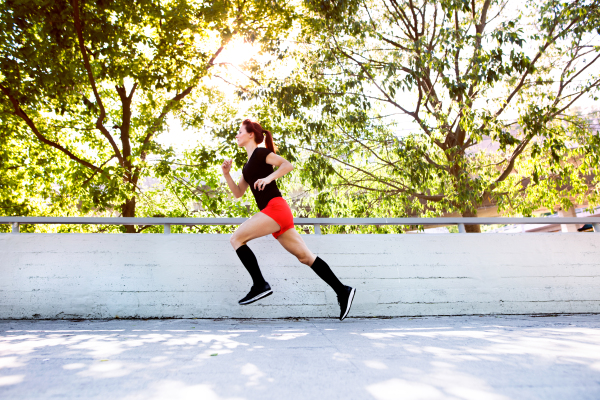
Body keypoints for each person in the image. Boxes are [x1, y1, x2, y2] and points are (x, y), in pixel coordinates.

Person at [221, 119, 356, 321]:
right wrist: (226, 174)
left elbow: (287, 165)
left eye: (240, 131)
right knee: (306, 258)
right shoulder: (247, 166)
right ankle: (342, 290)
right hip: (276, 215)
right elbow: (238, 193)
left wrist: (269, 179)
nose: (236, 135)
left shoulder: (261, 153)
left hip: (275, 209)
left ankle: (260, 284)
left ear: (251, 135)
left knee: (236, 239)